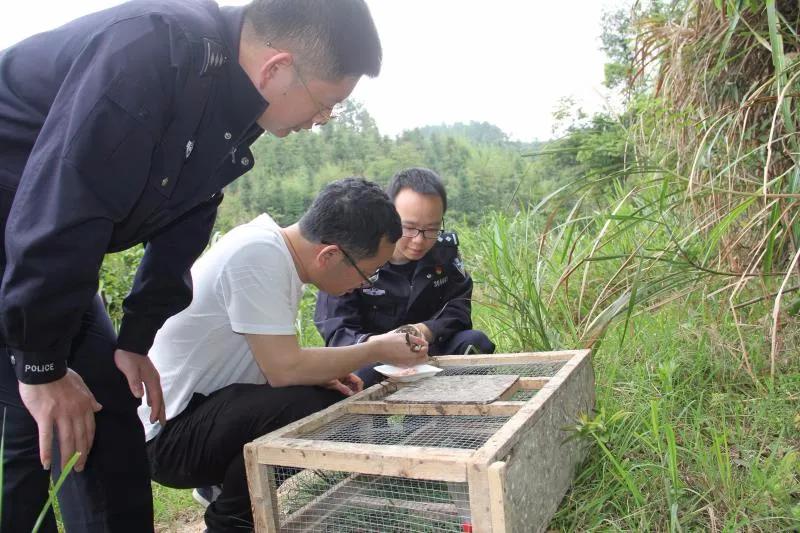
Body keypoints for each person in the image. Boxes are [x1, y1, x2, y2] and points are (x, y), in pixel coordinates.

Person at [0, 0, 382, 530]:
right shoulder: (150, 51)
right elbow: (65, 203)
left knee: (104, 425)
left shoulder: (227, 102)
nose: (322, 121)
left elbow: (187, 220)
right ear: (278, 69)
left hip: (49, 256)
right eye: (325, 103)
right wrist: (40, 365)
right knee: (28, 431)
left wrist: (135, 338)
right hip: (26, 239)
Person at [138, 178, 428, 532]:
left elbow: (277, 358)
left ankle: (228, 493)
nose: (366, 283)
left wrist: (325, 372)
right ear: (330, 255)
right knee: (312, 407)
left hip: (203, 413)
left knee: (326, 396)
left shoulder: (269, 248)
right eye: (368, 273)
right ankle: (231, 520)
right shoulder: (258, 256)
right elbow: (284, 369)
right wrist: (377, 348)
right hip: (169, 437)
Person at [315, 167, 495, 387]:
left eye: (431, 229)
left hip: (428, 350)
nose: (419, 241)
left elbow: (459, 308)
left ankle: (456, 416)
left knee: (475, 342)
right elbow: (337, 330)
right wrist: (380, 346)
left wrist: (424, 331)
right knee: (361, 374)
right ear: (389, 217)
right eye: (409, 228)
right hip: (372, 356)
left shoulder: (443, 253)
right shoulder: (355, 254)